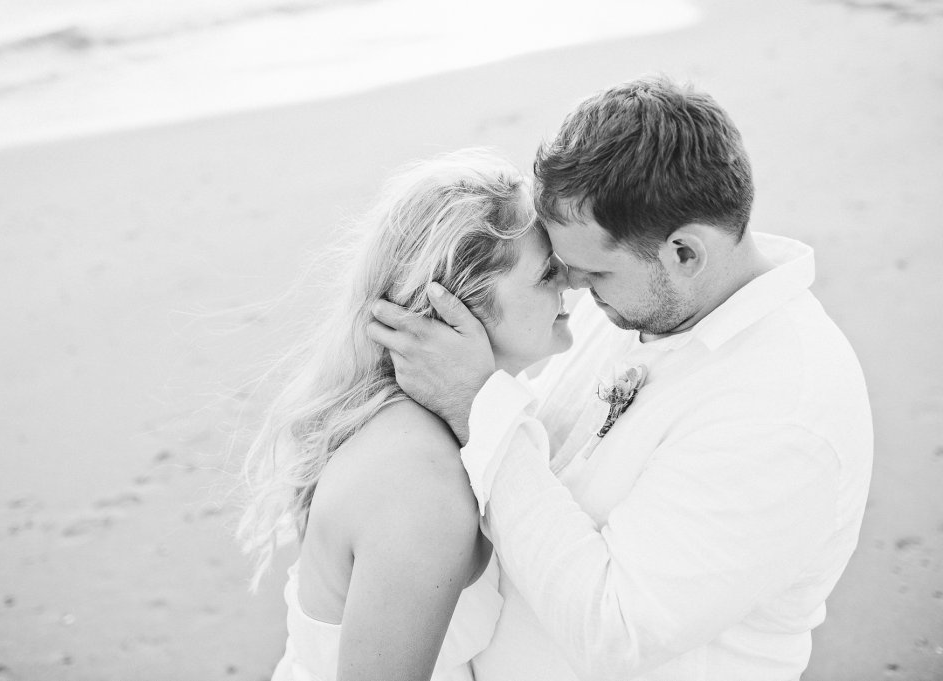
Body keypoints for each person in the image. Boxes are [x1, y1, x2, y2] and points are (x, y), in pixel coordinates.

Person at [368, 76, 874, 680]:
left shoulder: (783, 409)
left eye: (594, 272)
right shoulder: (649, 299)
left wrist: (477, 406)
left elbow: (616, 631)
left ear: (685, 253)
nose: (573, 288)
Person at [236, 149, 573, 681]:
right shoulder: (419, 482)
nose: (571, 283)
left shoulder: (422, 421)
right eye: (547, 272)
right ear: (457, 305)